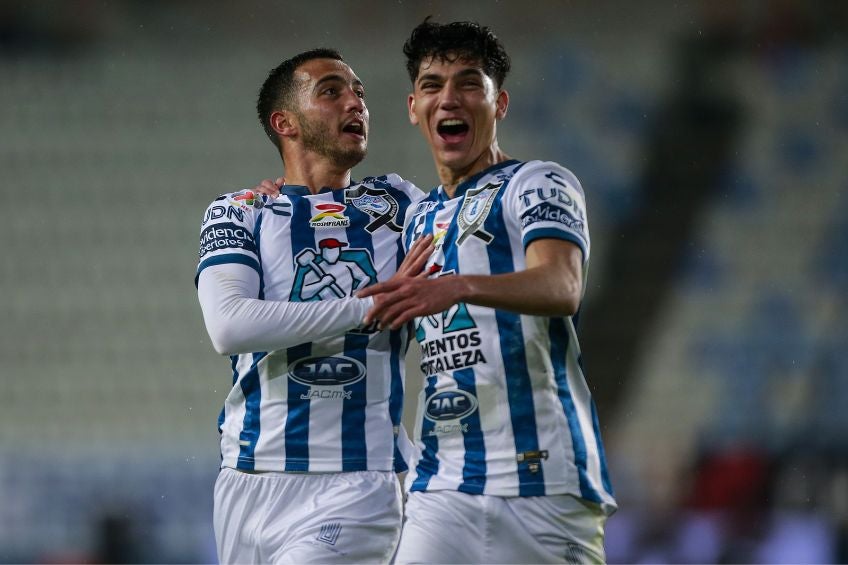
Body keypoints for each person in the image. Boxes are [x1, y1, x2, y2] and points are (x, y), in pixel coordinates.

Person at [358, 19, 618, 564]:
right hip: (442, 486)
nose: (449, 97)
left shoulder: (537, 183)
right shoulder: (416, 218)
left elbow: (563, 284)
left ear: (499, 104)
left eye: (469, 83)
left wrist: (458, 287)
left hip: (543, 480)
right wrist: (274, 190)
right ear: (412, 106)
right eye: (432, 85)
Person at [195, 48, 431, 563]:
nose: (356, 103)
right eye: (331, 91)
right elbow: (230, 326)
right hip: (246, 481)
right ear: (285, 122)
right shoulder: (242, 211)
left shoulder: (399, 204)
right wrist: (366, 308)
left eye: (359, 93)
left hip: (357, 482)